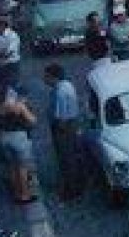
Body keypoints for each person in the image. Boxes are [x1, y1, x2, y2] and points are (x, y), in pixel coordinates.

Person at [43, 64, 82, 200]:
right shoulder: (67, 85)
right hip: (71, 125)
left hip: (63, 129)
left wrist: (57, 130)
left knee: (66, 159)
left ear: (53, 77)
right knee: (71, 157)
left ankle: (72, 189)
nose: (44, 79)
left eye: (46, 77)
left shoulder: (60, 92)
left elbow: (61, 117)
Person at [0, 87, 36, 204]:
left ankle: (16, 193)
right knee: (22, 167)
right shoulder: (20, 106)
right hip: (19, 138)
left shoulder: (1, 107)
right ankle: (25, 195)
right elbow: (32, 121)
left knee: (12, 167)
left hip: (4, 137)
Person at [0, 15, 21, 91]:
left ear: (2, 25)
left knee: (11, 87)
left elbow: (8, 53)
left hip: (11, 65)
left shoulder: (13, 36)